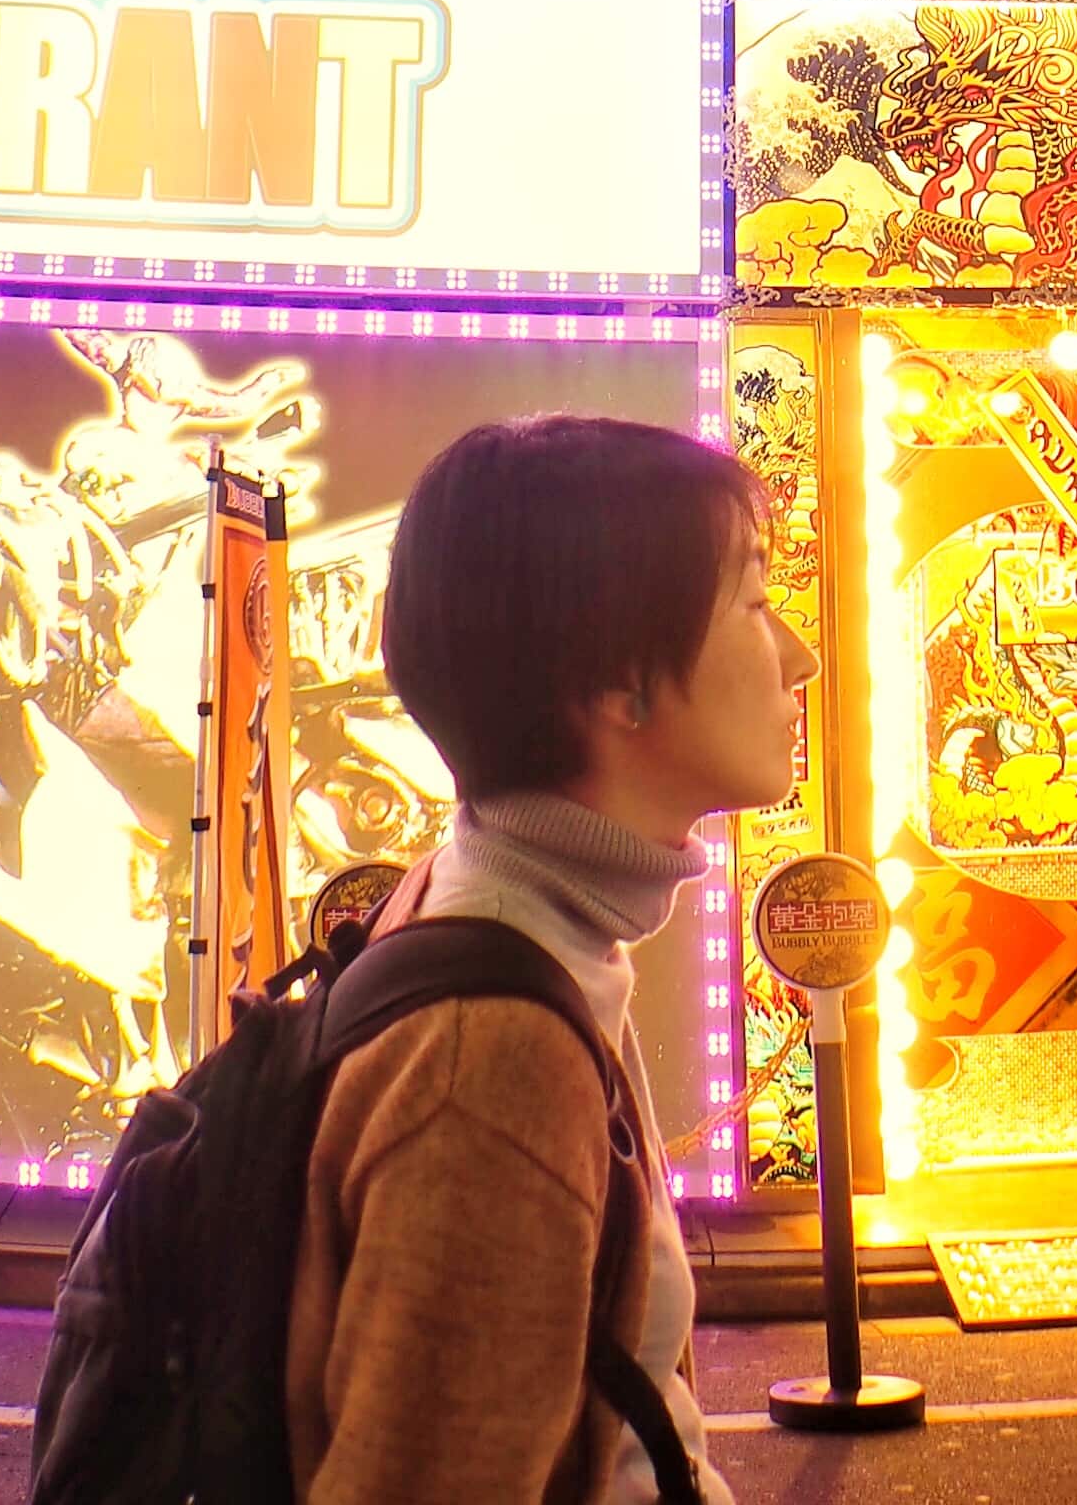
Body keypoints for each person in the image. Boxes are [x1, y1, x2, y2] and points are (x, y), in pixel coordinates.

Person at [299, 414, 815, 1505]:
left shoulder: (512, 922)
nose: (800, 656)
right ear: (617, 685)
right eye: (759, 604)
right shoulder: (490, 1060)